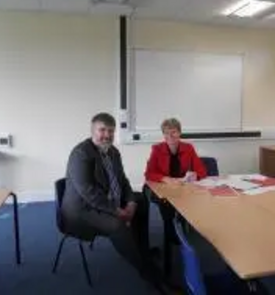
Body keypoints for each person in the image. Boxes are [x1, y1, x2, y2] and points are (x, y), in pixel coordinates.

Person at [62, 112, 169, 294]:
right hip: (81, 210)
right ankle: (150, 274)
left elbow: (123, 180)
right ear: (92, 131)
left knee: (141, 200)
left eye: (111, 131)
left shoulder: (113, 152)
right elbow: (89, 193)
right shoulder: (80, 154)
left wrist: (131, 202)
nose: (107, 135)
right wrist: (116, 210)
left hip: (107, 198)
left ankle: (142, 251)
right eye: (102, 130)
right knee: (117, 224)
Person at [144, 118, 207, 275]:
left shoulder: (188, 148)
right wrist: (165, 179)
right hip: (160, 187)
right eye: (166, 133)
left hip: (181, 187)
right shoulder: (157, 149)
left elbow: (202, 171)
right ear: (163, 135)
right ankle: (170, 232)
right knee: (166, 204)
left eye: (173, 132)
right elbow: (149, 174)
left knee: (191, 198)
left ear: (179, 132)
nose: (170, 137)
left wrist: (195, 175)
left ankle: (181, 226)